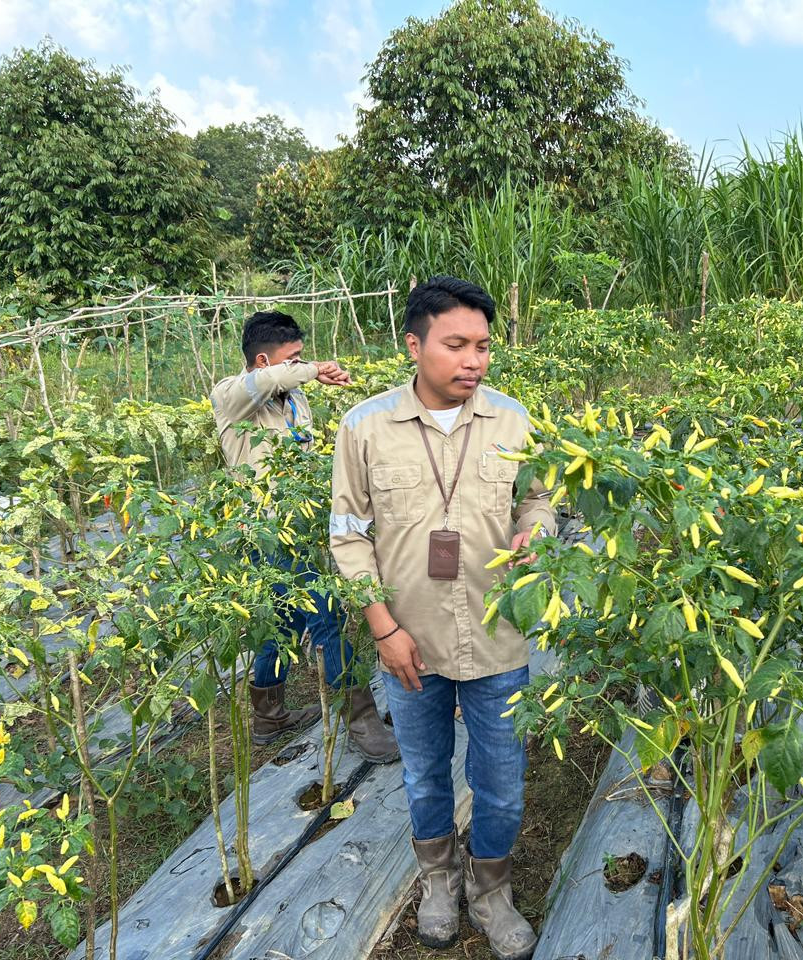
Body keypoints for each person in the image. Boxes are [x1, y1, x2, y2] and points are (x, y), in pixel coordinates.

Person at [329, 276, 554, 960]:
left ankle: (491, 890)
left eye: (483, 346)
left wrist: (533, 534)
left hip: (497, 636)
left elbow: (540, 499)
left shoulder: (515, 419)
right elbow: (347, 533)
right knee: (425, 775)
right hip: (410, 643)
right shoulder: (364, 427)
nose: (474, 360)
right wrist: (383, 628)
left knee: (502, 782)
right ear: (415, 344)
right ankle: (438, 881)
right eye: (456, 344)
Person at [210, 310, 399, 761]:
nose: (302, 366)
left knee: (281, 621)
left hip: (300, 525)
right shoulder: (231, 396)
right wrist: (318, 370)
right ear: (262, 361)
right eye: (293, 360)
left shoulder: (294, 400)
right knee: (326, 615)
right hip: (267, 531)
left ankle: (268, 715)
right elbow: (258, 386)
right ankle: (361, 720)